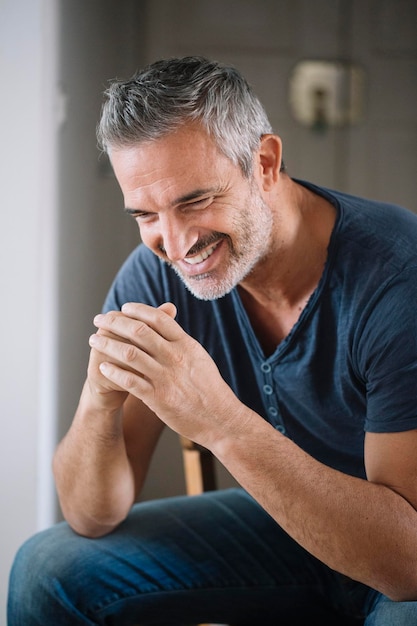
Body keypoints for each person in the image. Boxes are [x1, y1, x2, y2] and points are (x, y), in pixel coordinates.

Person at [7, 56, 417, 626]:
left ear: (265, 164)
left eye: (195, 200)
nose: (174, 244)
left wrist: (218, 420)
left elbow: (407, 566)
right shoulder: (155, 276)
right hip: (281, 532)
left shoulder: (398, 277)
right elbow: (91, 516)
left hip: (397, 545)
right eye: (145, 213)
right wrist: (98, 401)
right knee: (45, 568)